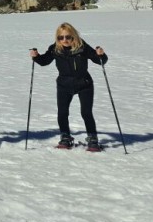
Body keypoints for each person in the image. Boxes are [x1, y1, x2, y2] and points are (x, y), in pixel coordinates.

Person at [30, 23, 107, 151]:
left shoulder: (82, 47)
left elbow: (100, 61)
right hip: (64, 84)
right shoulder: (55, 49)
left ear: (73, 36)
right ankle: (65, 137)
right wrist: (36, 56)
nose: (64, 40)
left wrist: (101, 54)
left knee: (86, 112)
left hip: (84, 83)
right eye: (61, 37)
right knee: (62, 112)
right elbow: (44, 61)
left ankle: (93, 138)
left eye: (68, 37)